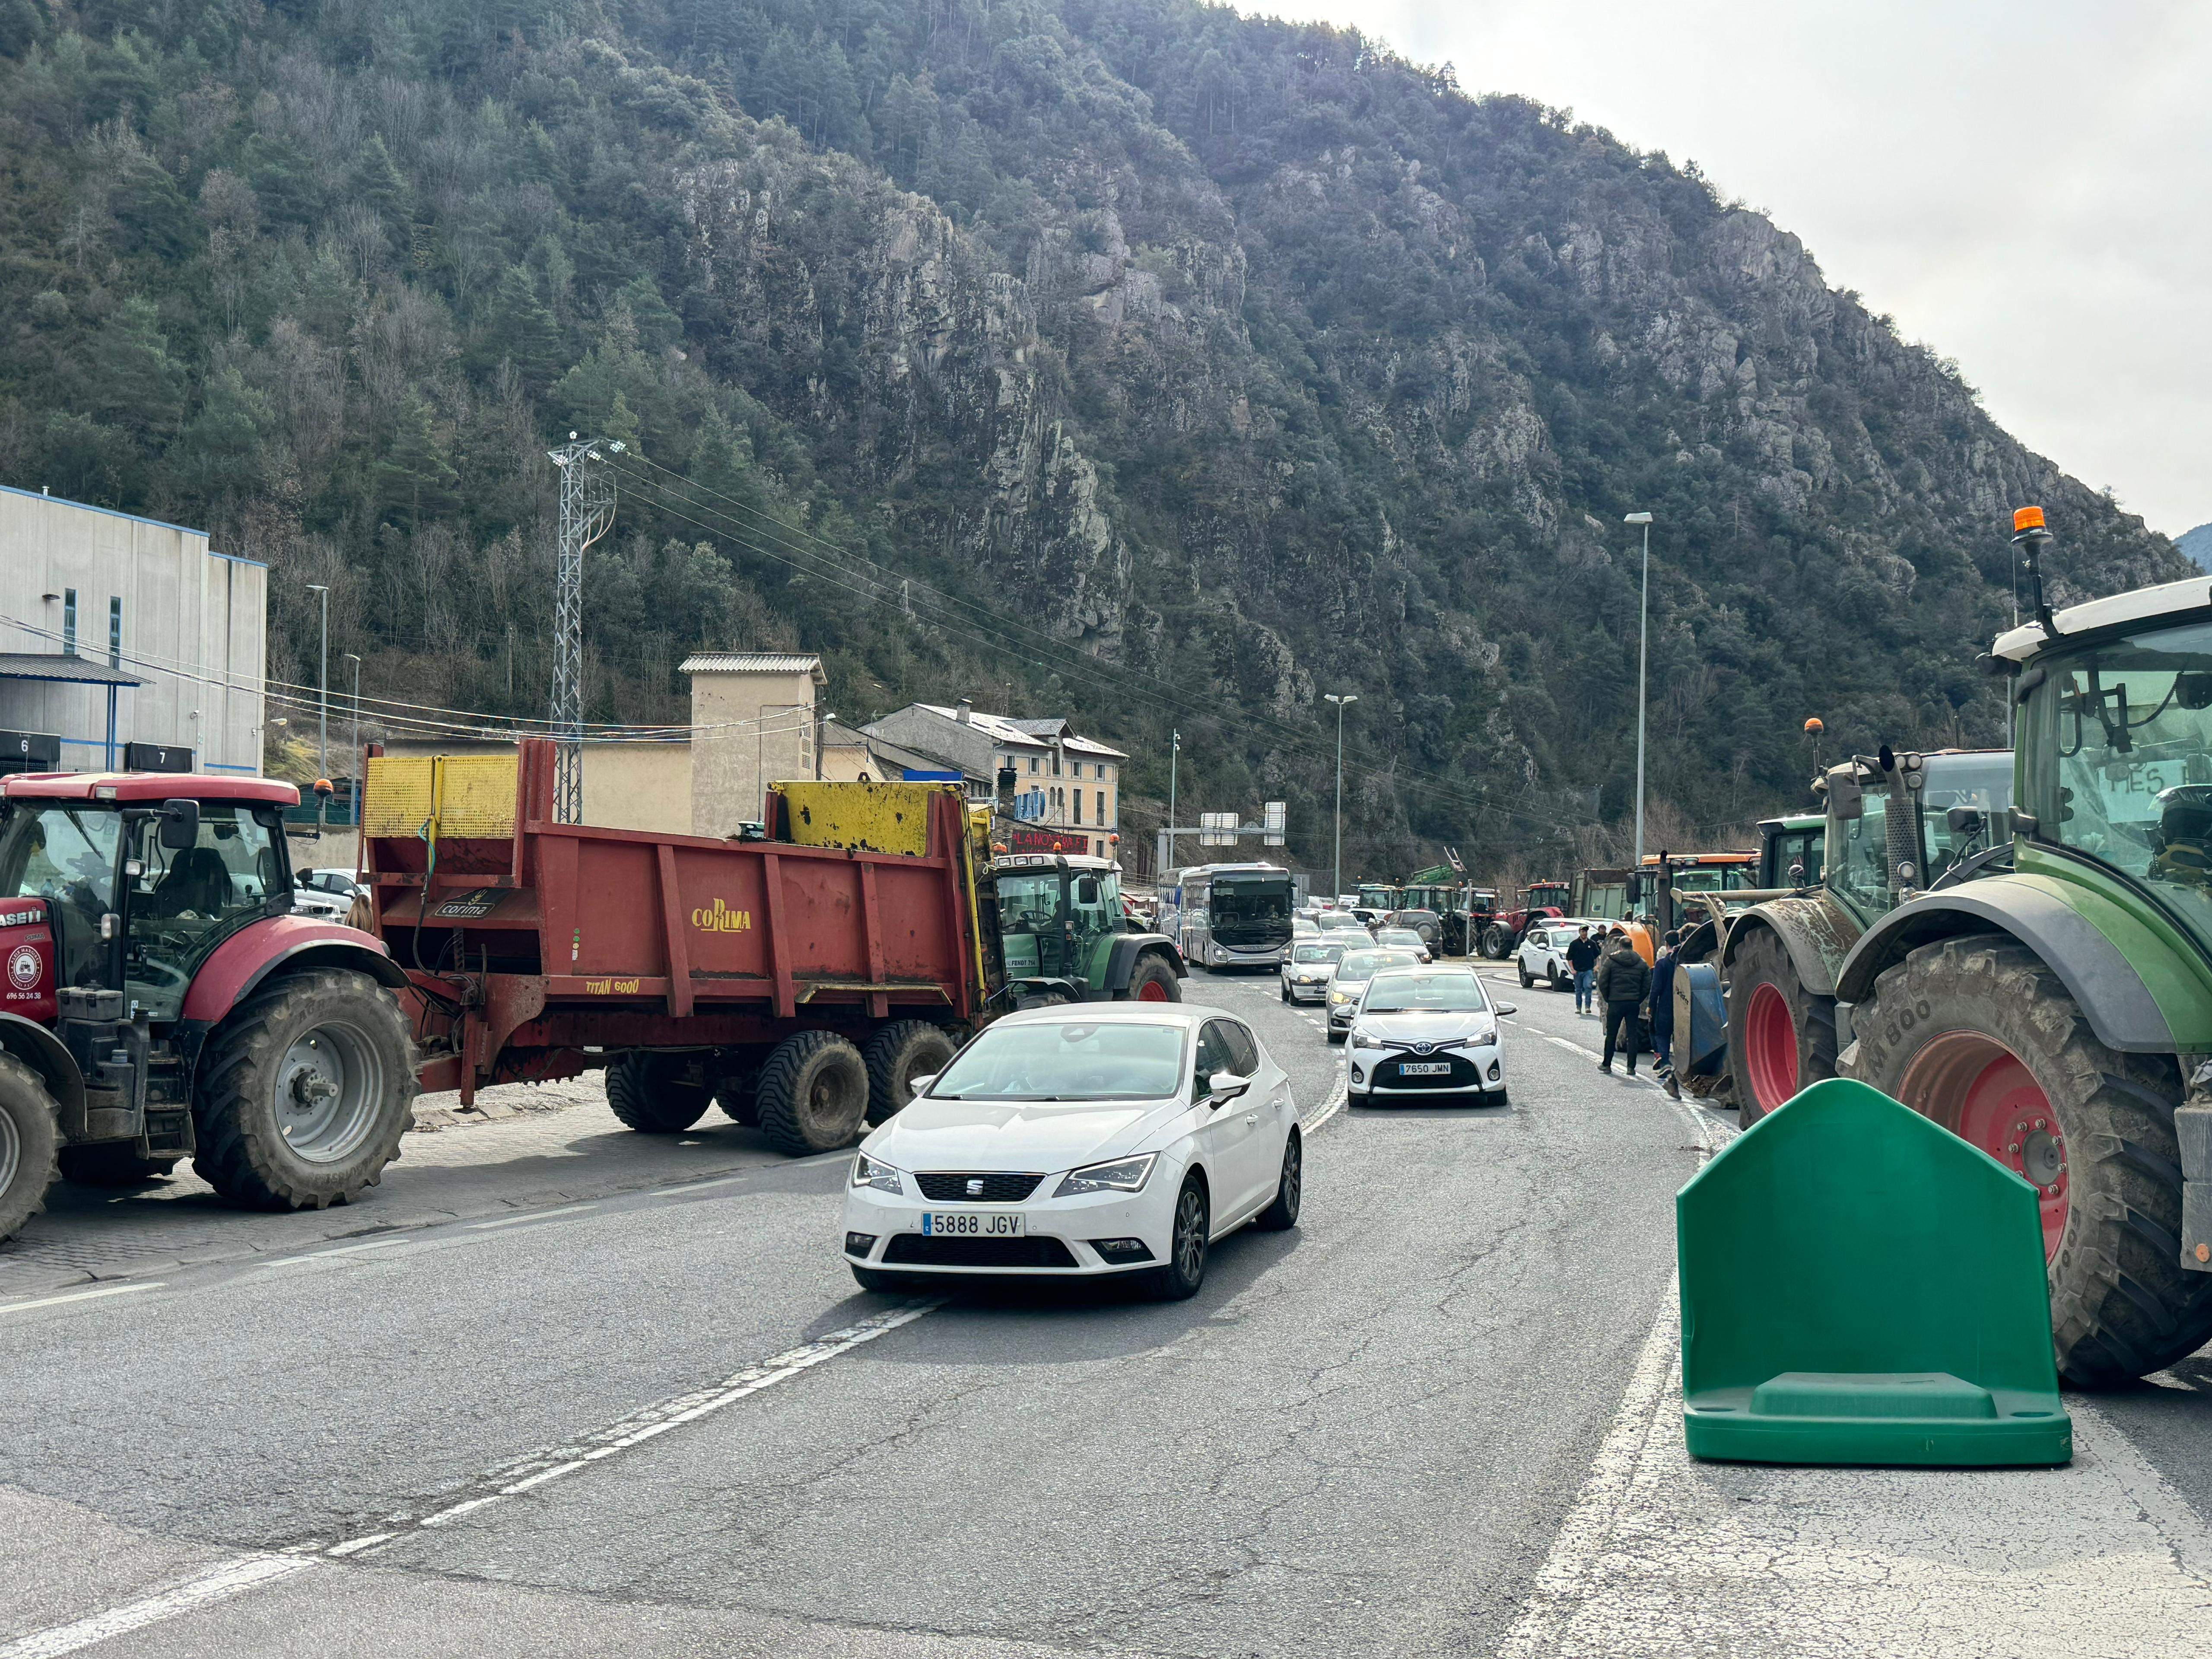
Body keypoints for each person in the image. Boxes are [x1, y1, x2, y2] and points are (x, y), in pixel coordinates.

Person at [1594, 927, 1650, 1076]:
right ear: (1632, 946)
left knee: (1612, 1034)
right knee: (1633, 1035)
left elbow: (1602, 982)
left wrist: (1609, 998)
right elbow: (1647, 985)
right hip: (1633, 1004)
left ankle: (1607, 1064)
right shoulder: (1641, 963)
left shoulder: (1611, 962)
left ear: (1620, 946)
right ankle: (1631, 1068)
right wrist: (1638, 999)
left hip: (1616, 1003)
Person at [1649, 928, 1682, 1099]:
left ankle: (1665, 1062)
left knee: (1662, 1034)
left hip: (1666, 1005)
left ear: (1666, 944)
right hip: (1684, 1004)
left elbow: (1656, 988)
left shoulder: (1662, 964)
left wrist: (1651, 1006)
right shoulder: (1684, 961)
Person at [1565, 925, 1600, 1016]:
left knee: (1588, 987)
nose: (1584, 933)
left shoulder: (1592, 944)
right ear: (1580, 932)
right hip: (1577, 971)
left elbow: (1598, 956)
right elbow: (1569, 958)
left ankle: (1588, 1007)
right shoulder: (1574, 944)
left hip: (1588, 970)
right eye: (1583, 931)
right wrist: (1572, 969)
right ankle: (1579, 1007)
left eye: (1586, 931)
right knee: (1578, 990)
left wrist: (1597, 966)